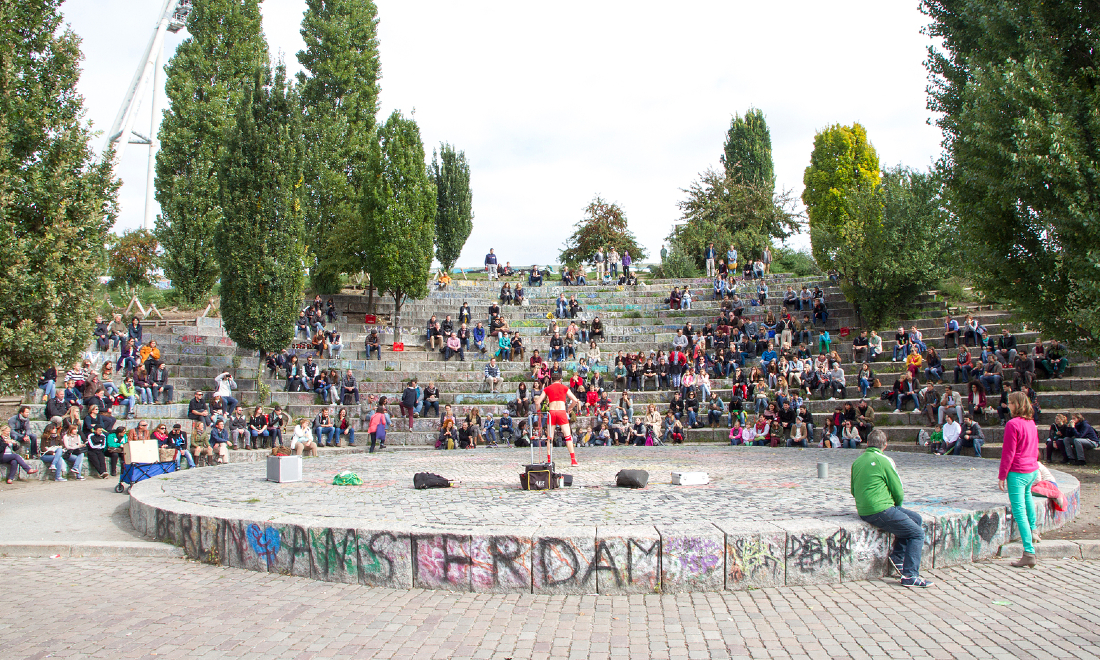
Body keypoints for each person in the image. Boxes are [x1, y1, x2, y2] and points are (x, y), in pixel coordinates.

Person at [850, 429, 933, 587]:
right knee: (917, 533)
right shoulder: (885, 460)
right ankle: (910, 575)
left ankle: (897, 557)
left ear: (867, 443)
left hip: (864, 509)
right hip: (881, 509)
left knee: (916, 519)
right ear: (885, 446)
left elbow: (853, 490)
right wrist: (897, 508)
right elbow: (898, 490)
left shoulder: (857, 461)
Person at [1000, 391, 1041, 568]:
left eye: (1010, 403)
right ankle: (1034, 530)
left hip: (1018, 471)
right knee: (1027, 499)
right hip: (1031, 469)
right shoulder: (1031, 423)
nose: (1008, 406)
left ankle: (1028, 552)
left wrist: (1002, 475)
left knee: (1019, 512)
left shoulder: (1012, 424)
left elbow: (1008, 452)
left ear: (1017, 404)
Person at [532, 373, 581, 467]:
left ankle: (549, 461)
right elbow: (575, 400)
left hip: (552, 413)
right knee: (568, 436)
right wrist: (570, 408)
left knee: (550, 437)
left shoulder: (547, 388)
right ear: (560, 379)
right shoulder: (564, 387)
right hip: (561, 412)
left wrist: (539, 412)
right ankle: (573, 460)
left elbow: (537, 402)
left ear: (551, 380)